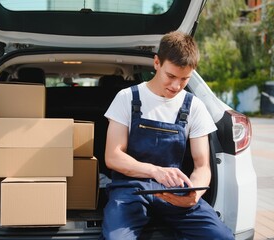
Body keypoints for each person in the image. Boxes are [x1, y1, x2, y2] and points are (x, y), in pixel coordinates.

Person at [101, 31, 235, 240]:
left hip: (174, 191)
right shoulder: (127, 98)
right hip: (130, 191)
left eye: (184, 79)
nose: (176, 86)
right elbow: (113, 156)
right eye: (171, 76)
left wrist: (194, 196)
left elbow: (202, 167)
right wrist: (155, 171)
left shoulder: (195, 106)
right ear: (157, 63)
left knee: (221, 236)